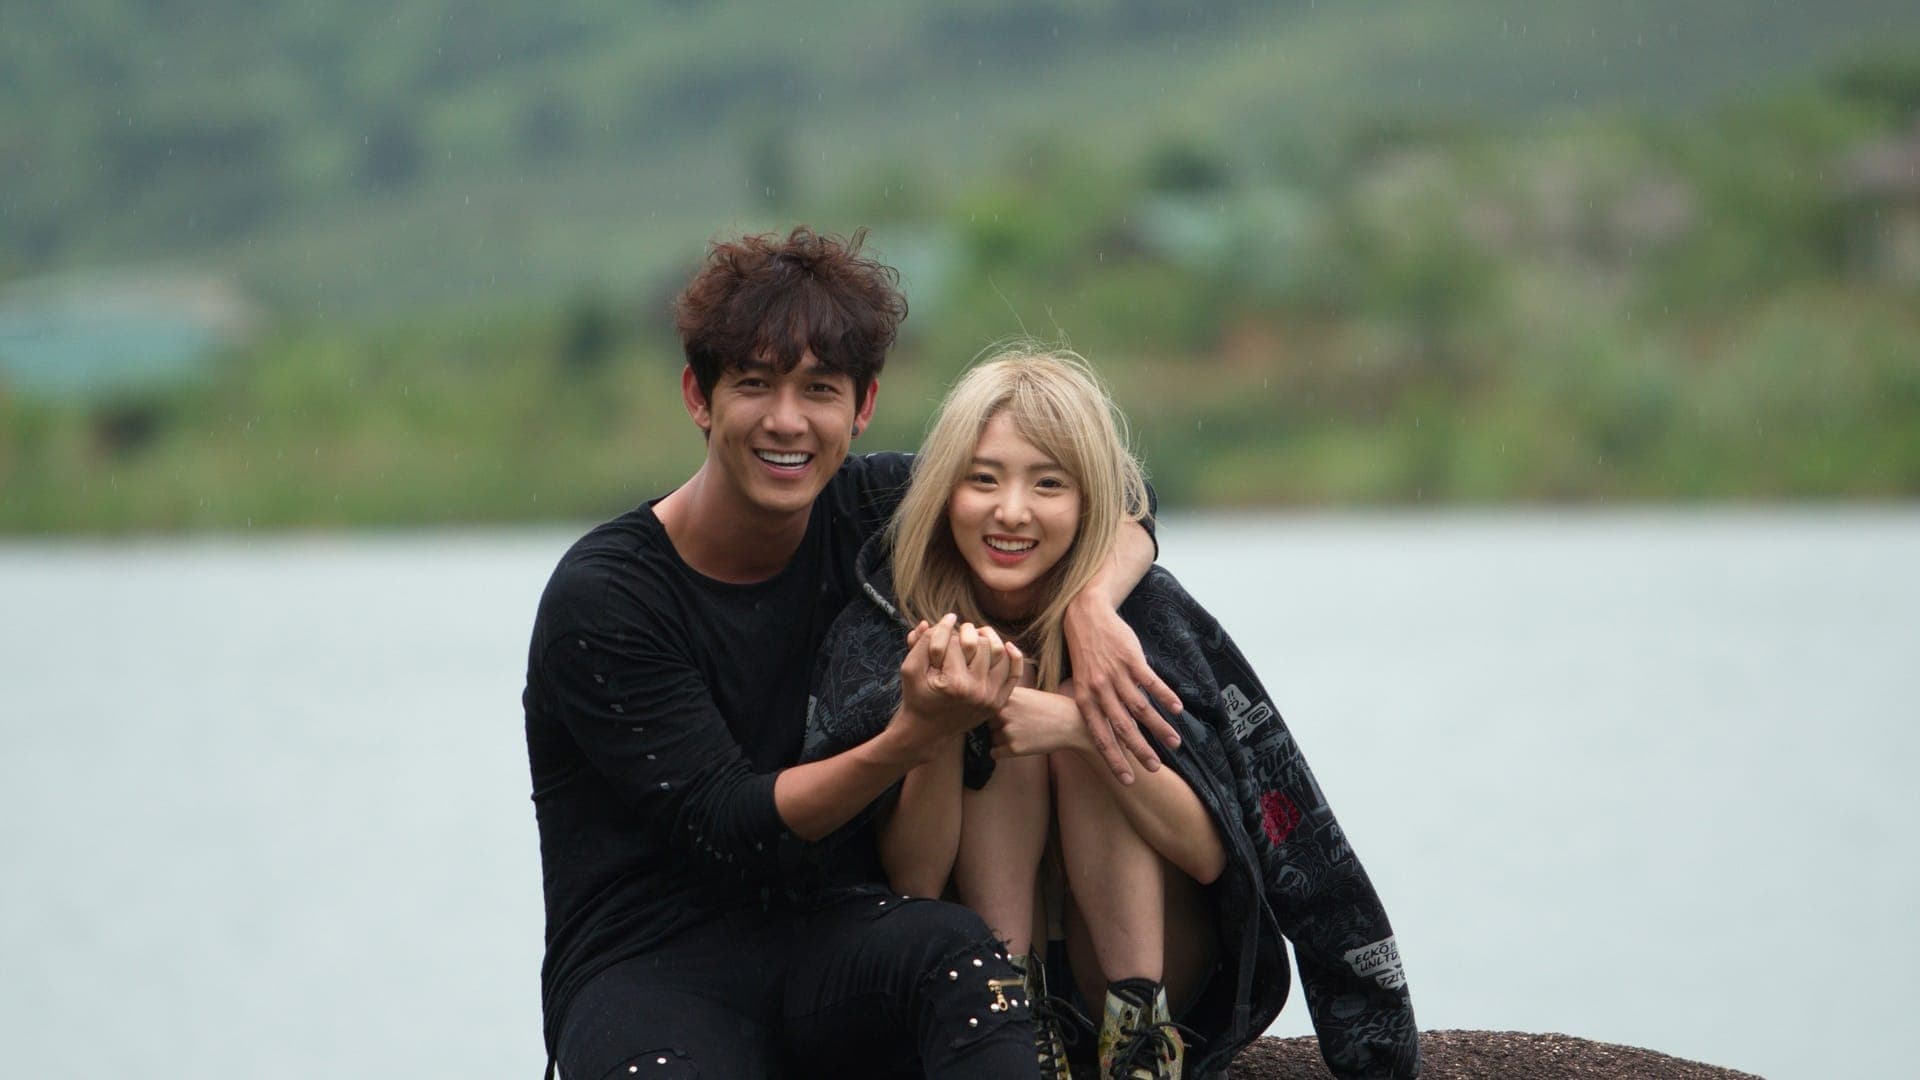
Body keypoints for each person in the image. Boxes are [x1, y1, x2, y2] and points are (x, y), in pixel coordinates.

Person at [521, 228, 1179, 1079]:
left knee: (965, 962)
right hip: (646, 963)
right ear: (698, 396)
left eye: (819, 389)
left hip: (836, 936)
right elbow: (733, 826)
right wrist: (914, 734)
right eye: (754, 384)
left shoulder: (873, 506)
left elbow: (1119, 491)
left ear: (862, 406)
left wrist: (1093, 604)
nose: (787, 420)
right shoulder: (606, 598)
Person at [805, 349, 1421, 1080]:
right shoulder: (891, 619)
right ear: (944, 491)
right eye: (984, 479)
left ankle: (1138, 1044)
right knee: (989, 694)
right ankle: (1017, 1015)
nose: (1012, 511)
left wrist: (1080, 730)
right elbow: (912, 880)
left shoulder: (1147, 613)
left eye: (1048, 484)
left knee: (1085, 708)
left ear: (1089, 500)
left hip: (1147, 969)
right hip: (971, 983)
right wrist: (934, 726)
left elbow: (1210, 856)